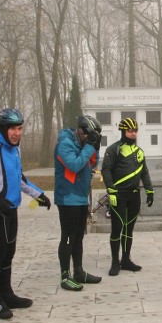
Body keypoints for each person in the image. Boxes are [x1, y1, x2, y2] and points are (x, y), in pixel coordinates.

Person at [0, 108, 51, 320]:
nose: (17, 133)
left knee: (9, 252)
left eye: (20, 128)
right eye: (13, 128)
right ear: (3, 129)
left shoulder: (15, 150)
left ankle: (7, 294)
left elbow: (20, 179)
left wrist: (38, 195)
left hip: (10, 208)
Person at [54, 115, 103, 291]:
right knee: (68, 236)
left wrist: (95, 148)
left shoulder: (84, 144)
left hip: (80, 196)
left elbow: (91, 164)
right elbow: (74, 165)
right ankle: (65, 275)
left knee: (79, 237)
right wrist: (90, 146)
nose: (90, 139)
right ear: (82, 131)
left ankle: (79, 271)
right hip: (68, 197)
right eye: (90, 135)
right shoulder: (64, 144)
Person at [102, 117, 154, 276]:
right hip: (119, 195)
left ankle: (126, 260)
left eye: (135, 131)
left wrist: (149, 190)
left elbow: (144, 172)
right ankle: (114, 262)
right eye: (130, 131)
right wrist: (111, 190)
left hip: (134, 195)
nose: (133, 134)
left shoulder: (139, 152)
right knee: (116, 228)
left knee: (128, 230)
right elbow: (106, 170)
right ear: (123, 131)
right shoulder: (113, 149)